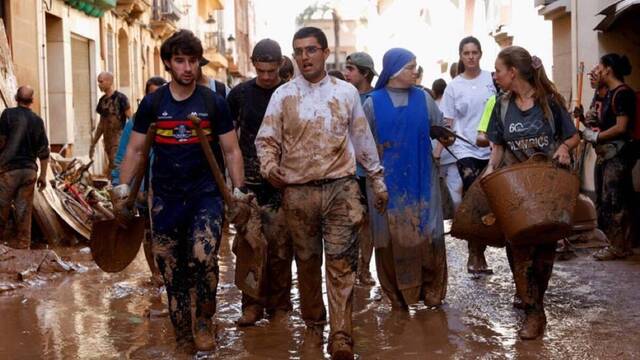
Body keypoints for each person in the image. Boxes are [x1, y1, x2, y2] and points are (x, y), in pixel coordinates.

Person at [255, 27, 388, 360]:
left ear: (325, 53)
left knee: (342, 265)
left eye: (311, 50)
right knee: (308, 264)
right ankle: (314, 326)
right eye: (299, 50)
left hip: (340, 189)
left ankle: (341, 335)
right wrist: (270, 167)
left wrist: (377, 179)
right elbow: (266, 139)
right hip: (297, 194)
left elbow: (362, 139)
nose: (304, 57)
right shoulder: (283, 95)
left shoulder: (345, 93)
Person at [117, 30, 246, 351]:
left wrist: (239, 192)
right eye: (180, 61)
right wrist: (122, 187)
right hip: (165, 197)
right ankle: (183, 335)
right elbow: (134, 150)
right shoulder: (153, 103)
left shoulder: (213, 104)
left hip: (206, 196)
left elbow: (231, 151)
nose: (187, 68)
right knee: (170, 268)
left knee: (203, 258)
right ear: (168, 64)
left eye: (192, 61)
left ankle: (204, 320)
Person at [484, 46, 579, 339]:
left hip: (547, 191)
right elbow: (497, 148)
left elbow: (573, 135)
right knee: (519, 252)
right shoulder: (500, 105)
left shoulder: (549, 102)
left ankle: (537, 301)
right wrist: (488, 174)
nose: (496, 75)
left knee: (544, 257)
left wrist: (563, 148)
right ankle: (533, 312)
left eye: (499, 70)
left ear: (513, 72)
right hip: (517, 194)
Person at [363, 48, 448, 310]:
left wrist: (444, 136)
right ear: (396, 71)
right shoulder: (371, 104)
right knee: (387, 239)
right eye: (411, 67)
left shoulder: (424, 99)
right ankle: (397, 297)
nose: (415, 71)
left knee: (430, 234)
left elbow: (442, 131)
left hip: (423, 179)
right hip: (386, 186)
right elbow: (363, 147)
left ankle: (432, 293)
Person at [226, 38, 293, 326]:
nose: (266, 76)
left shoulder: (291, 94)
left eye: (271, 70)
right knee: (249, 247)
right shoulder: (239, 95)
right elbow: (227, 141)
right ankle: (251, 304)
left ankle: (279, 306)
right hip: (249, 186)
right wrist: (233, 187)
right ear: (253, 64)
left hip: (283, 186)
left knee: (280, 249)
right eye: (261, 70)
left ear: (280, 65)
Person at [441, 36, 496, 274]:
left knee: (494, 199)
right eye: (466, 53)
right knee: (474, 197)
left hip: (493, 147)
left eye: (475, 52)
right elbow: (448, 122)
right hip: (465, 148)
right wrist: (437, 151)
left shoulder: (492, 80)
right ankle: (476, 253)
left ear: (481, 54)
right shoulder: (454, 86)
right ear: (460, 56)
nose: (471, 57)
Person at [111, 76, 167, 286]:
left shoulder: (173, 119)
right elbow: (124, 154)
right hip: (142, 189)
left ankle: (170, 274)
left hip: (168, 189)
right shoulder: (136, 122)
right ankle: (155, 273)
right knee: (147, 233)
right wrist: (119, 188)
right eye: (151, 94)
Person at [583, 54, 636, 261]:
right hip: (607, 154)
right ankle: (621, 244)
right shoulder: (608, 94)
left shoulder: (623, 94)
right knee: (610, 200)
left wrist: (596, 136)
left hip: (619, 154)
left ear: (608, 70)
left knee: (614, 200)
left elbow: (621, 127)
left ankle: (619, 247)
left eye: (600, 67)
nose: (597, 71)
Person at [0, 86, 50, 249]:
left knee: (2, 208)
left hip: (9, 170)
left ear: (16, 98)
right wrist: (43, 176)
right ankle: (23, 247)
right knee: (23, 212)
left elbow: (1, 141)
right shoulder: (37, 120)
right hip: (29, 172)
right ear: (32, 101)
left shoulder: (7, 115)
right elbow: (44, 152)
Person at [344, 51, 378, 286]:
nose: (346, 74)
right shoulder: (342, 96)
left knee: (369, 222)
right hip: (347, 170)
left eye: (351, 69)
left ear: (364, 73)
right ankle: (349, 268)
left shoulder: (377, 99)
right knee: (349, 221)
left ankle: (364, 268)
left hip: (372, 171)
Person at [90, 72, 131, 178]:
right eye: (98, 82)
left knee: (115, 164)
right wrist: (93, 143)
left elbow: (130, 119)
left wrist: (131, 138)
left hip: (118, 137)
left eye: (101, 82)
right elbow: (101, 124)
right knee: (112, 164)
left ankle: (117, 188)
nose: (99, 85)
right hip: (107, 139)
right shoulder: (102, 101)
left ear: (109, 81)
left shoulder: (121, 98)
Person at [431, 78, 463, 211]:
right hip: (453, 155)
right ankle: (457, 221)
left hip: (436, 157)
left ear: (433, 91)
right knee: (455, 194)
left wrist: (436, 155)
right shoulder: (451, 107)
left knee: (439, 195)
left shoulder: (431, 106)